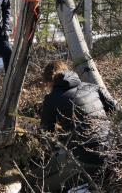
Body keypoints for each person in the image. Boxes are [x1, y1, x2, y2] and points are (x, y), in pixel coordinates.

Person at [36, 60, 111, 191]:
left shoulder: (52, 98)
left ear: (49, 82)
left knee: (39, 185)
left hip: (85, 160)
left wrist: (56, 150)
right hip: (113, 151)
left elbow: (45, 133)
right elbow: (118, 110)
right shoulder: (92, 87)